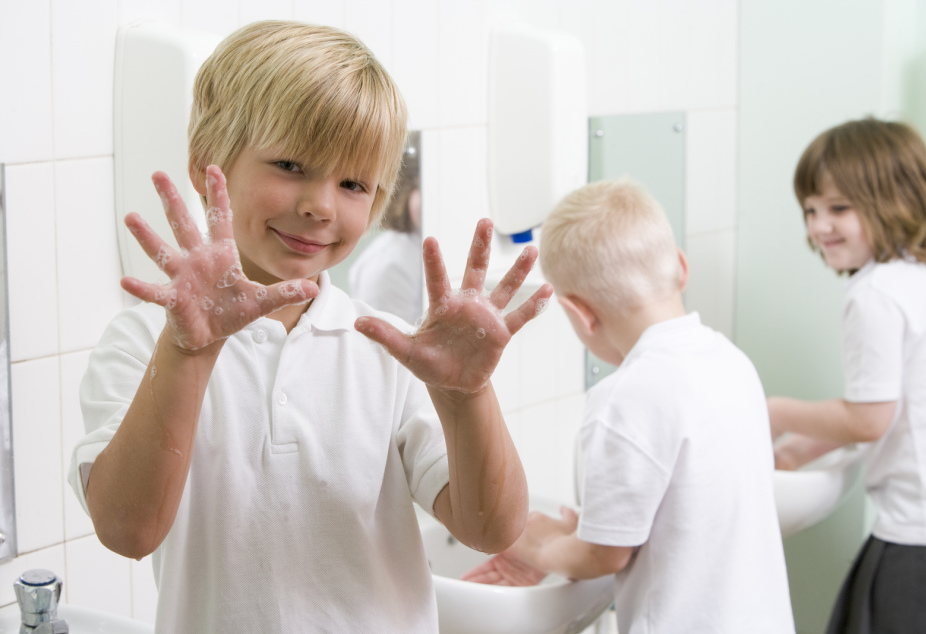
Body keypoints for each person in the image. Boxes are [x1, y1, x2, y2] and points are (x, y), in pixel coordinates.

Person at [66, 20, 552, 633]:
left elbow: (491, 529)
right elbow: (128, 531)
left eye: (352, 183)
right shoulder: (142, 344)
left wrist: (466, 397)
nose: (321, 204)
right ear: (206, 167)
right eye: (292, 165)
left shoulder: (388, 349)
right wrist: (189, 352)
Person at [464, 179, 796, 633]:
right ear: (681, 266)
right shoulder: (732, 363)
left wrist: (534, 546)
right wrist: (589, 530)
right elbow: (685, 513)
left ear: (580, 313)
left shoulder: (624, 397)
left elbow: (605, 556)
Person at [768, 117, 926, 633]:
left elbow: (870, 419)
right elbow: (896, 407)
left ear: (895, 198)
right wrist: (801, 450)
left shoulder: (876, 294)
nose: (819, 226)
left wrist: (773, 412)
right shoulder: (925, 280)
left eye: (839, 208)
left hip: (919, 536)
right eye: (810, 209)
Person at [348, 138, 424, 323]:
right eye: (421, 188)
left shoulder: (420, 246)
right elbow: (386, 346)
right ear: (406, 189)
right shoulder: (391, 264)